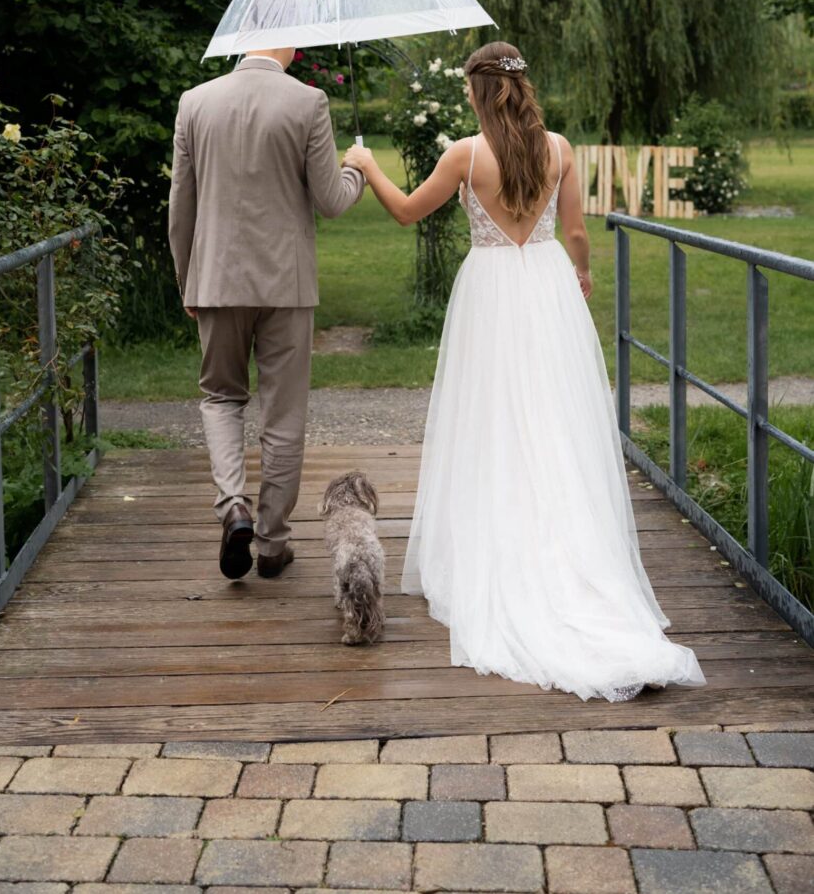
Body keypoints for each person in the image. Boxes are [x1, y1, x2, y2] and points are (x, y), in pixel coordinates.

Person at [343, 41, 704, 702]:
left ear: (477, 91)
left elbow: (404, 211)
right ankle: (566, 545)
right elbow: (575, 231)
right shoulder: (560, 149)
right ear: (521, 85)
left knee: (490, 418)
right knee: (553, 420)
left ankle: (499, 543)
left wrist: (366, 163)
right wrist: (584, 273)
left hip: (489, 291)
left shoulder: (464, 155)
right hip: (546, 289)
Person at [168, 47, 364, 582]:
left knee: (220, 397)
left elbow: (179, 205)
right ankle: (273, 543)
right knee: (283, 412)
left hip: (216, 279)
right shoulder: (308, 101)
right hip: (286, 283)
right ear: (292, 46)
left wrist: (188, 278)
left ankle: (234, 506)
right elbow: (331, 200)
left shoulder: (195, 102)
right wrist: (358, 171)